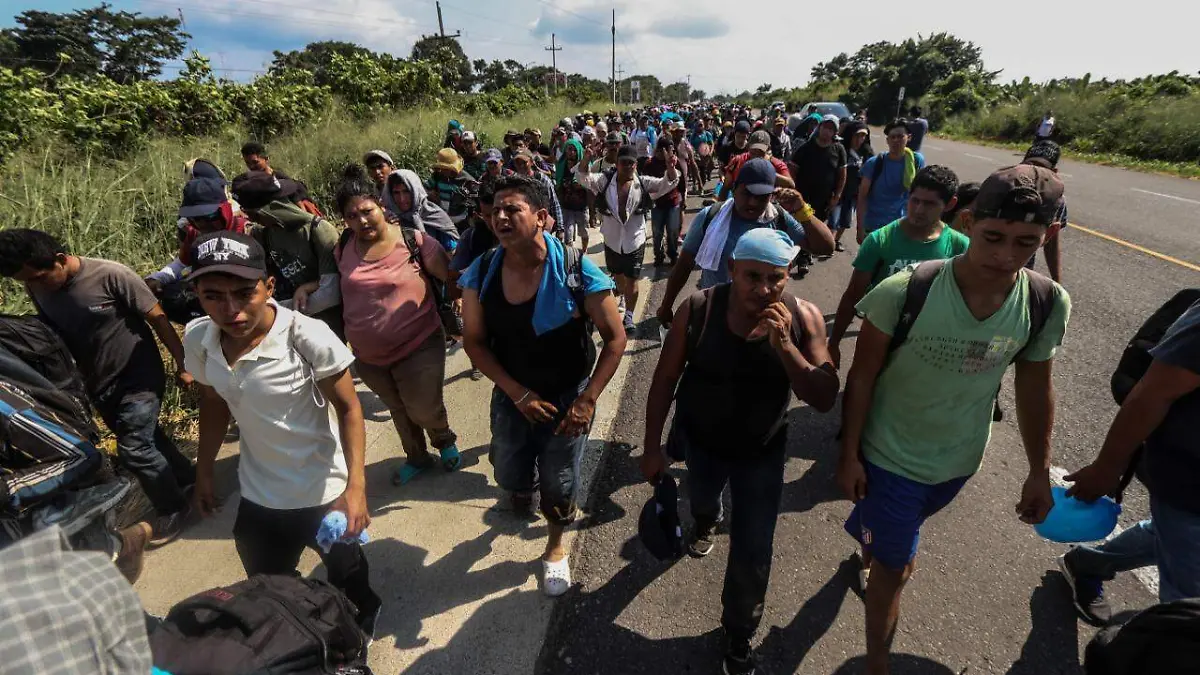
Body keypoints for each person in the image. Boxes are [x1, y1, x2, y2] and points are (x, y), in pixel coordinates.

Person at [837, 164, 1070, 675]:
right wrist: (849, 453)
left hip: (959, 460)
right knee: (896, 570)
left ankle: (872, 532)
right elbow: (862, 377)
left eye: (1025, 243)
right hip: (890, 458)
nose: (1006, 256)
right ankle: (878, 664)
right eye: (993, 237)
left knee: (890, 538)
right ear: (965, 222)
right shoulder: (904, 291)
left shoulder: (1045, 301)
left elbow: (1034, 386)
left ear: (1047, 237)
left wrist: (1037, 469)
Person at [641, 228, 838, 674]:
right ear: (732, 269)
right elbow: (664, 381)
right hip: (703, 444)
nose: (764, 289)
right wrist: (652, 448)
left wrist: (785, 346)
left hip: (762, 452)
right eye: (752, 276)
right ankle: (708, 519)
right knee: (703, 500)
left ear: (789, 276)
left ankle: (738, 634)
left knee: (753, 548)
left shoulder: (803, 318)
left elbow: (824, 396)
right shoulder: (699, 310)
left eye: (776, 278)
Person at [185, 230, 382, 639]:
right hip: (260, 496)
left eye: (244, 293)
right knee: (268, 581)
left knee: (346, 573)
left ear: (269, 287)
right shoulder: (199, 340)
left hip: (322, 490)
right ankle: (300, 625)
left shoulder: (306, 337)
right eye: (213, 296)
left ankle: (365, 613)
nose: (231, 309)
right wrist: (204, 471)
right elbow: (214, 403)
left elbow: (349, 408)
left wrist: (356, 488)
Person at [459, 175, 626, 597]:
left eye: (512, 208)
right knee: (510, 470)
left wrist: (588, 400)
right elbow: (475, 343)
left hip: (568, 398)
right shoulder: (481, 272)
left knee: (559, 479)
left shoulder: (575, 269)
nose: (500, 216)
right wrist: (518, 394)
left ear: (542, 217)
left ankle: (554, 547)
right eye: (494, 209)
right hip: (512, 396)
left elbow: (615, 338)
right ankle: (523, 492)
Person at [0, 229, 196, 545]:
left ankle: (172, 507)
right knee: (149, 438)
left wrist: (184, 364)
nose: (34, 286)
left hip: (138, 373)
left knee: (134, 448)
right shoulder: (38, 288)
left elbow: (158, 318)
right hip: (99, 383)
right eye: (26, 282)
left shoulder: (110, 275)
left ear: (60, 260)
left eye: (38, 277)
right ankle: (189, 479)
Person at [1059, 299, 1200, 624]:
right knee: (1187, 615)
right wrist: (1108, 467)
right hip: (1189, 484)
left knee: (1164, 536)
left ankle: (1089, 564)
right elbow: (1152, 394)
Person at [334, 171, 461, 487]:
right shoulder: (343, 247)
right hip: (368, 355)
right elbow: (331, 286)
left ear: (380, 205)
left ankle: (443, 439)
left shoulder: (412, 239)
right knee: (398, 408)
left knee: (422, 405)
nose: (361, 220)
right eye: (352, 215)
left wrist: (464, 301)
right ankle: (417, 457)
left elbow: (452, 277)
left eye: (367, 211)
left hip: (419, 342)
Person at [656, 159, 834, 327]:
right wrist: (666, 305)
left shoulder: (778, 218)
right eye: (747, 194)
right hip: (715, 314)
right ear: (734, 189)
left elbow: (826, 247)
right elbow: (685, 264)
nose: (753, 202)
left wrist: (801, 210)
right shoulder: (711, 217)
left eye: (762, 197)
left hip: (763, 318)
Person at [827, 166, 969, 367]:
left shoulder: (960, 246)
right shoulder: (879, 240)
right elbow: (853, 295)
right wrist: (833, 344)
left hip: (927, 348)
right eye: (915, 200)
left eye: (929, 204)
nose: (919, 210)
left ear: (950, 204)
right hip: (877, 342)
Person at [578, 144, 679, 333]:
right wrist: (586, 160)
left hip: (635, 239)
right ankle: (621, 294)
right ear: (616, 163)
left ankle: (629, 316)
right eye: (624, 162)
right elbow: (583, 178)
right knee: (618, 278)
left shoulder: (643, 183)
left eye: (632, 163)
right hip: (612, 240)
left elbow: (666, 184)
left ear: (636, 165)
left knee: (633, 279)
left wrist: (671, 167)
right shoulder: (604, 181)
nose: (628, 166)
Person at [232, 171, 344, 339]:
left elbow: (331, 293)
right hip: (291, 329)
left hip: (327, 328)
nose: (251, 219)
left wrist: (274, 310)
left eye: (254, 214)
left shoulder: (318, 231)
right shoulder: (265, 235)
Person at [147, 176, 251, 325]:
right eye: (194, 218)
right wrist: (158, 278)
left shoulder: (245, 231)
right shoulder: (195, 233)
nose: (202, 224)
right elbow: (182, 264)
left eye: (209, 216)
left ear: (225, 209)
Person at [856, 120, 926, 243]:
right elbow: (862, 197)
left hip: (903, 227)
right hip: (875, 227)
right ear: (887, 140)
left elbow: (920, 194)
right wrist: (860, 228)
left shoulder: (915, 160)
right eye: (892, 137)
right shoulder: (874, 163)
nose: (896, 141)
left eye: (900, 136)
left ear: (908, 138)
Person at [381, 169, 463, 253]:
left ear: (416, 191)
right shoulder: (388, 219)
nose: (402, 199)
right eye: (396, 193)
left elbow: (453, 253)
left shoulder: (434, 215)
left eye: (406, 191)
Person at [1021, 141, 1068, 283]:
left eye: (1041, 168)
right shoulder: (1002, 188)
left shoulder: (1056, 201)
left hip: (1021, 273)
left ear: (1054, 173)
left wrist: (1057, 283)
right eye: (1029, 165)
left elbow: (1051, 242)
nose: (1033, 171)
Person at [789, 114, 848, 224]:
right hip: (803, 200)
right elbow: (792, 171)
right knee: (801, 228)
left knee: (818, 230)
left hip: (824, 202)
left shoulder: (839, 149)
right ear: (819, 127)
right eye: (825, 127)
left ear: (835, 132)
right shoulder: (805, 148)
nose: (827, 131)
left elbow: (842, 175)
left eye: (831, 129)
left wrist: (837, 196)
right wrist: (793, 193)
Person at [641, 137, 686, 266]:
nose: (670, 153)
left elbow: (681, 183)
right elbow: (644, 184)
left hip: (673, 202)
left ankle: (673, 254)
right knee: (657, 232)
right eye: (667, 150)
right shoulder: (649, 164)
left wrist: (683, 199)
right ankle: (658, 255)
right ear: (660, 151)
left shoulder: (675, 163)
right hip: (657, 204)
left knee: (672, 230)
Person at [830, 121, 871, 252]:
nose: (860, 139)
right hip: (839, 191)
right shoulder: (841, 149)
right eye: (857, 136)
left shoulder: (867, 152)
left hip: (854, 193)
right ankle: (828, 244)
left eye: (863, 136)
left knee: (845, 221)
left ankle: (835, 241)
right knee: (833, 221)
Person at [720, 130, 794, 201]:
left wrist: (768, 173)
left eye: (760, 151)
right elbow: (726, 187)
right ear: (748, 146)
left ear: (768, 148)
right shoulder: (737, 161)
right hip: (740, 206)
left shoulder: (777, 164)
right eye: (754, 150)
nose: (756, 154)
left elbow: (791, 185)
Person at [510, 149, 564, 236]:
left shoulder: (542, 179)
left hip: (542, 223)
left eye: (524, 162)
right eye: (517, 163)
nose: (521, 166)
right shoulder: (513, 181)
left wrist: (560, 228)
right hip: (522, 224)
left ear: (531, 162)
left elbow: (554, 203)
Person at [427, 147, 479, 228]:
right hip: (440, 220)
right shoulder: (437, 176)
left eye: (445, 168)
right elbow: (423, 190)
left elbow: (476, 203)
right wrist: (429, 194)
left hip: (461, 222)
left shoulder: (467, 181)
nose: (442, 170)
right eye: (441, 168)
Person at [555, 138, 590, 249]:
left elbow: (590, 183)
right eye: (569, 149)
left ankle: (584, 251)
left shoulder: (584, 166)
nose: (571, 152)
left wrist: (580, 185)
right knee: (567, 235)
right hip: (566, 206)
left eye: (574, 150)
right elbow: (558, 186)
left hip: (581, 206)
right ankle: (570, 258)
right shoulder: (561, 166)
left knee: (584, 233)